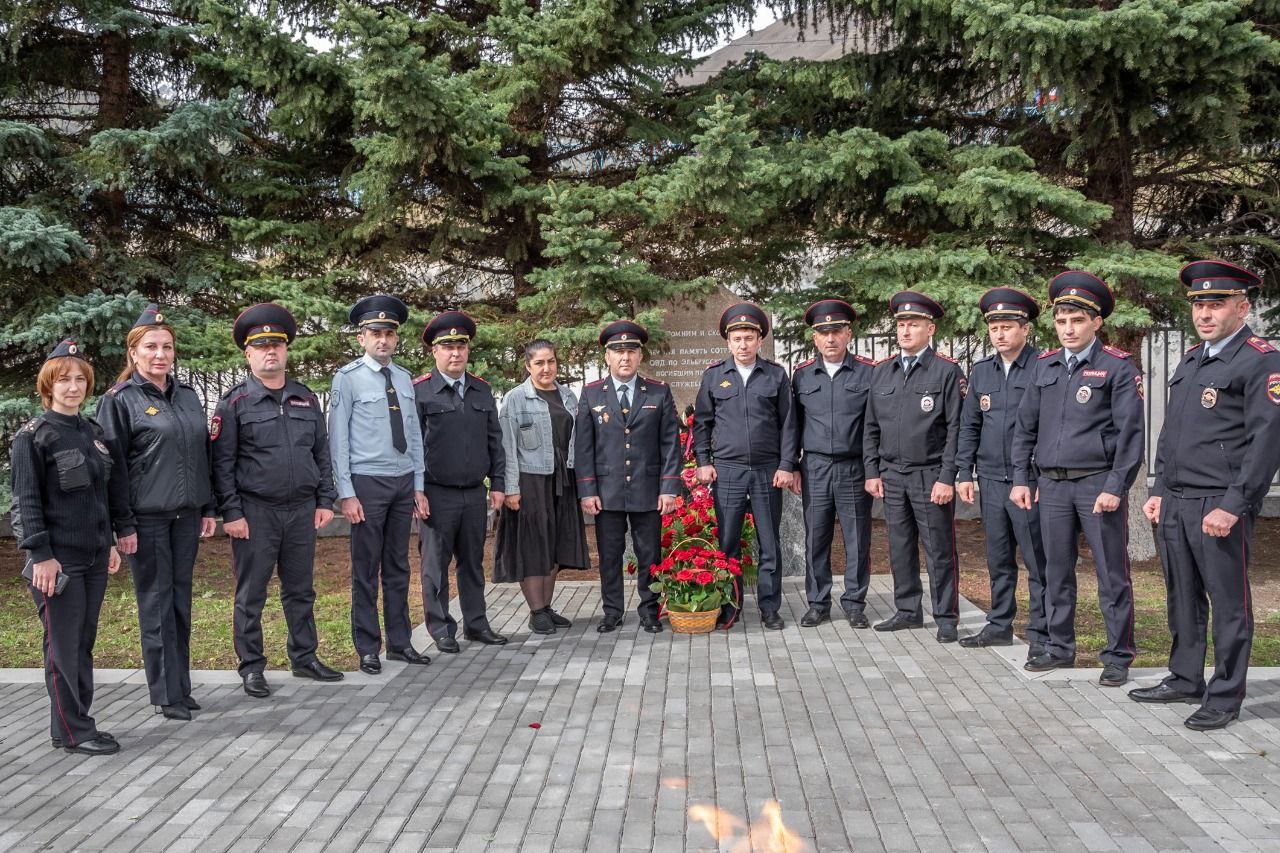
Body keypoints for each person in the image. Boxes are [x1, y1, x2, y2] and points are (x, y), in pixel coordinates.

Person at [1130, 260, 1280, 730]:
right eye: (1199, 305)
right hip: (1176, 500)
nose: (1205, 314)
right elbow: (1173, 433)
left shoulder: (1260, 360)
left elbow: (1267, 440)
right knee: (1182, 596)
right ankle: (1184, 677)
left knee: (1228, 603)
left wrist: (1235, 504)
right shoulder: (1193, 359)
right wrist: (1159, 490)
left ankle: (1225, 695)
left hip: (1219, 502)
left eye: (1216, 305)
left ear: (1242, 307)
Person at [1011, 271, 1144, 688]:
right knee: (1055, 572)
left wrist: (1115, 487)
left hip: (1096, 485)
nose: (1068, 329)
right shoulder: (1045, 366)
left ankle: (1118, 656)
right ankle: (1059, 647)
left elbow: (1130, 436)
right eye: (1062, 321)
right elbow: (1024, 428)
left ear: (1096, 323)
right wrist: (1020, 478)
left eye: (1077, 321)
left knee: (1111, 574)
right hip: (1050, 487)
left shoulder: (1117, 368)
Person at [10, 339, 136, 755]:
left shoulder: (91, 432)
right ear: (48, 385)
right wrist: (41, 555)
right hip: (58, 561)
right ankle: (78, 730)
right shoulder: (33, 437)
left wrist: (112, 541)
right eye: (64, 379)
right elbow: (26, 502)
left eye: (80, 379)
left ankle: (67, 726)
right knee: (62, 647)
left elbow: (104, 494)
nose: (73, 386)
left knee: (81, 642)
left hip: (95, 554)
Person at [210, 303, 343, 697]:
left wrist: (325, 499)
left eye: (277, 345)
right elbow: (222, 464)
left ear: (286, 351)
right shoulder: (233, 404)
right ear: (248, 354)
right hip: (255, 512)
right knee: (251, 594)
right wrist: (231, 513)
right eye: (261, 346)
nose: (271, 352)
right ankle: (251, 666)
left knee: (301, 590)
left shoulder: (305, 399)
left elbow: (321, 452)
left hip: (302, 510)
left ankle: (305, 657)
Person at [96, 304, 216, 721]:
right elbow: (112, 468)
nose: (159, 354)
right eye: (150, 347)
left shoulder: (186, 396)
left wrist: (207, 506)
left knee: (180, 601)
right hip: (145, 520)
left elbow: (202, 454)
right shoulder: (120, 401)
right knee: (156, 603)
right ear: (134, 353)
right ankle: (165, 694)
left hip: (186, 515)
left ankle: (181, 685)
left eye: (166, 347)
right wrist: (122, 524)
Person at [329, 295, 431, 675]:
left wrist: (418, 484)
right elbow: (337, 439)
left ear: (396, 338)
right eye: (375, 333)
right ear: (362, 338)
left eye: (389, 333)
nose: (383, 340)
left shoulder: (404, 378)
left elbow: (415, 437)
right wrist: (346, 493)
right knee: (365, 569)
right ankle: (368, 647)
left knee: (398, 567)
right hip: (367, 485)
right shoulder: (347, 379)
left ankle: (401, 643)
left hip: (403, 482)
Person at [863, 291, 966, 642]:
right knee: (900, 545)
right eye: (901, 325)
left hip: (930, 474)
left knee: (938, 548)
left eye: (914, 325)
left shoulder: (946, 372)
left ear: (930, 329)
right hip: (892, 475)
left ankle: (946, 616)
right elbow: (870, 428)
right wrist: (872, 471)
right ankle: (907, 610)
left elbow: (956, 428)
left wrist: (946, 477)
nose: (905, 331)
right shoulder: (882, 372)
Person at [955, 288, 1049, 656]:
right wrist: (965, 473)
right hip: (991, 481)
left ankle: (1041, 634)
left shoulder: (1043, 367)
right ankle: (999, 625)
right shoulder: (982, 372)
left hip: (1029, 483)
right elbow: (969, 426)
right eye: (994, 327)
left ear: (1025, 330)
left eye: (1007, 327)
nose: (1000, 334)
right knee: (998, 559)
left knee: (1037, 562)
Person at [693, 302, 797, 630]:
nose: (743, 344)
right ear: (727, 342)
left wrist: (786, 465)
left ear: (759, 340)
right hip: (728, 472)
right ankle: (729, 606)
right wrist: (704, 462)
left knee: (769, 543)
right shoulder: (713, 377)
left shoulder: (776, 375)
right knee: (727, 543)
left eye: (749, 337)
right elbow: (702, 424)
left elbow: (789, 424)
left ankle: (770, 608)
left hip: (767, 471)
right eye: (737, 338)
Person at [575, 320, 682, 634]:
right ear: (607, 356)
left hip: (648, 490)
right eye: (618, 351)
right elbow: (584, 446)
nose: (625, 357)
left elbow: (670, 444)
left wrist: (669, 489)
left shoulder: (659, 392)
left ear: (640, 355)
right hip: (606, 492)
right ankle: (612, 612)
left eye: (631, 351)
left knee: (650, 554)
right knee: (610, 555)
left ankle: (650, 611)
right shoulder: (592, 393)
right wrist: (587, 490)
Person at [415, 311, 508, 652]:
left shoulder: (481, 390)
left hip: (473, 494)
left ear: (468, 350)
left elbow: (494, 441)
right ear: (434, 352)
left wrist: (497, 483)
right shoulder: (421, 393)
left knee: (472, 564)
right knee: (435, 567)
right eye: (447, 347)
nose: (455, 353)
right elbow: (412, 446)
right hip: (435, 495)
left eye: (461, 346)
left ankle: (476, 623)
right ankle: (441, 628)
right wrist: (417, 489)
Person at [791, 299, 876, 629]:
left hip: (854, 468)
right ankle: (818, 602)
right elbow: (793, 425)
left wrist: (873, 470)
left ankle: (855, 602)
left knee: (857, 537)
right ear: (814, 338)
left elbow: (874, 426)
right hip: (814, 467)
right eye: (823, 332)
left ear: (848, 334)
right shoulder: (801, 376)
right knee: (817, 537)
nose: (830, 338)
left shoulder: (868, 373)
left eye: (836, 331)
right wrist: (794, 465)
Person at [494, 339, 589, 631]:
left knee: (555, 541)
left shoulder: (569, 396)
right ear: (528, 366)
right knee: (534, 544)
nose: (546, 368)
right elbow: (506, 446)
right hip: (530, 479)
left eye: (551, 361)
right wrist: (511, 488)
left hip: (563, 478)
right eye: (539, 363)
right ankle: (536, 612)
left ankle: (546, 607)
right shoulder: (515, 398)